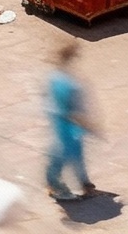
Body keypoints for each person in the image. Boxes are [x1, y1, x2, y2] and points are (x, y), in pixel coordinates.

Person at [45, 40, 96, 202]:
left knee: (70, 154)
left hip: (63, 122)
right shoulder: (70, 83)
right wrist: (87, 123)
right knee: (65, 155)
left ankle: (84, 182)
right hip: (68, 124)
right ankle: (57, 186)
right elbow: (70, 107)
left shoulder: (56, 77)